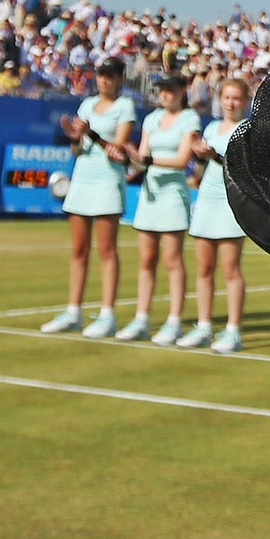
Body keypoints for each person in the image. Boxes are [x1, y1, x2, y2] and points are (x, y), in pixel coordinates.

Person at [41, 56, 135, 337]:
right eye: (101, 74)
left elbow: (117, 149)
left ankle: (108, 315)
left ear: (120, 79)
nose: (104, 79)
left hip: (107, 180)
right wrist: (74, 137)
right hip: (82, 178)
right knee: (79, 250)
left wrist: (90, 133)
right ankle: (73, 311)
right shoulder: (86, 105)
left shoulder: (125, 106)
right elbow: (78, 151)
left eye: (109, 75)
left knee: (107, 250)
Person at [114, 76, 200, 345]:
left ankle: (174, 321)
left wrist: (146, 160)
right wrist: (130, 160)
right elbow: (142, 159)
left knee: (172, 259)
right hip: (150, 195)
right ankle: (142, 318)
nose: (165, 95)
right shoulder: (151, 119)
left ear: (181, 93)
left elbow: (182, 160)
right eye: (162, 91)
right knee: (147, 259)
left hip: (173, 194)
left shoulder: (190, 119)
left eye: (171, 90)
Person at [180, 74, 250, 353]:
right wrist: (199, 157)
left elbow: (241, 168)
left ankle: (233, 330)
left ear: (245, 101)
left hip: (230, 202)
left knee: (231, 269)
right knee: (204, 268)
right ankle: (204, 325)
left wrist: (213, 156)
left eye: (236, 98)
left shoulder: (247, 130)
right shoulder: (211, 129)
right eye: (226, 98)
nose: (230, 103)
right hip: (207, 200)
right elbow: (200, 169)